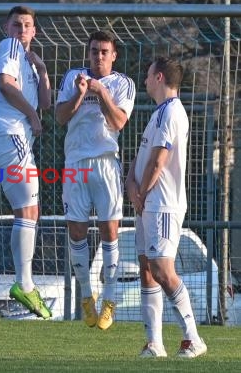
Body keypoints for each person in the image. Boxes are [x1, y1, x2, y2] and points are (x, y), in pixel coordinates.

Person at [126, 56, 207, 358]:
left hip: (161, 204)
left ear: (159, 78)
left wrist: (141, 191)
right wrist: (131, 182)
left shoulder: (171, 112)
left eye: (147, 76)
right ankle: (154, 343)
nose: (144, 80)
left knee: (162, 269)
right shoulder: (158, 113)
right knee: (147, 270)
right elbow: (145, 154)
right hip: (148, 202)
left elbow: (159, 160)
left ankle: (193, 337)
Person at [55, 30, 136, 330]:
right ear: (87, 54)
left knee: (109, 230)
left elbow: (118, 122)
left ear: (113, 55)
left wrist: (101, 93)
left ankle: (110, 301)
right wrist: (79, 94)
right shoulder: (73, 77)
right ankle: (87, 298)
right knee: (76, 230)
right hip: (75, 162)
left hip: (105, 163)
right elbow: (60, 117)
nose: (98, 56)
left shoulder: (122, 83)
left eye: (104, 51)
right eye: (94, 51)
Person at [0, 6, 52, 319]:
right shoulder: (9, 46)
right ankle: (24, 284)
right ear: (6, 27)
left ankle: (25, 283)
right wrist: (32, 114)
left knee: (29, 211)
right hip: (11, 136)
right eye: (16, 24)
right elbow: (5, 84)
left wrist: (43, 70)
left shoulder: (28, 60)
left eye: (27, 25)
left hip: (11, 140)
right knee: (27, 210)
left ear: (35, 31)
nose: (22, 29)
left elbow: (47, 103)